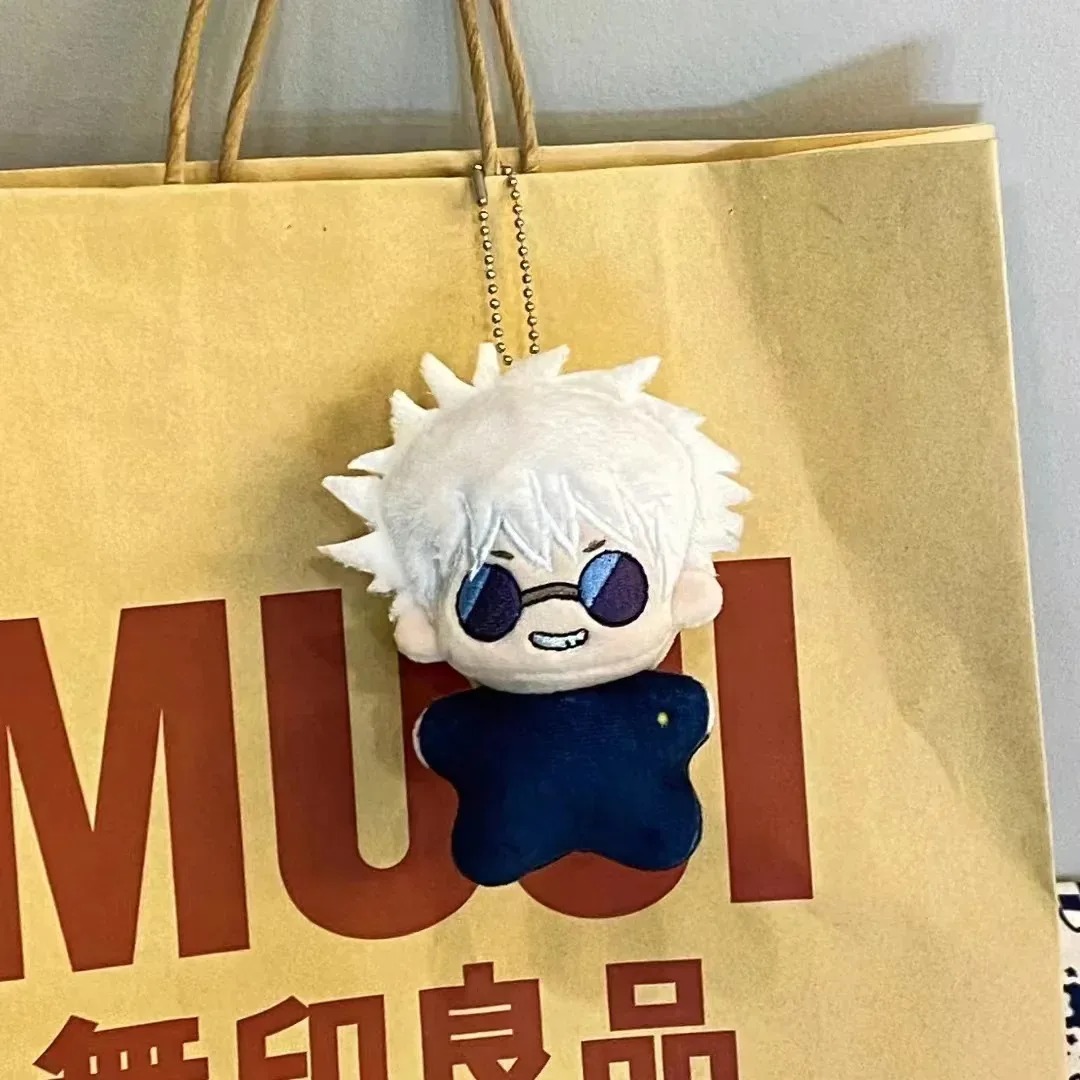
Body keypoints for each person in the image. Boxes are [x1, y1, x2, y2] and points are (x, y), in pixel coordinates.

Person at [322, 345, 748, 886]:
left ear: (682, 591)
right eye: (493, 597)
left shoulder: (656, 705)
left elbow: (439, 738)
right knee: (503, 849)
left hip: (623, 825)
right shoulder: (662, 705)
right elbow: (691, 712)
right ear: (428, 626)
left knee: (655, 837)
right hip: (514, 827)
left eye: (607, 585)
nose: (556, 612)